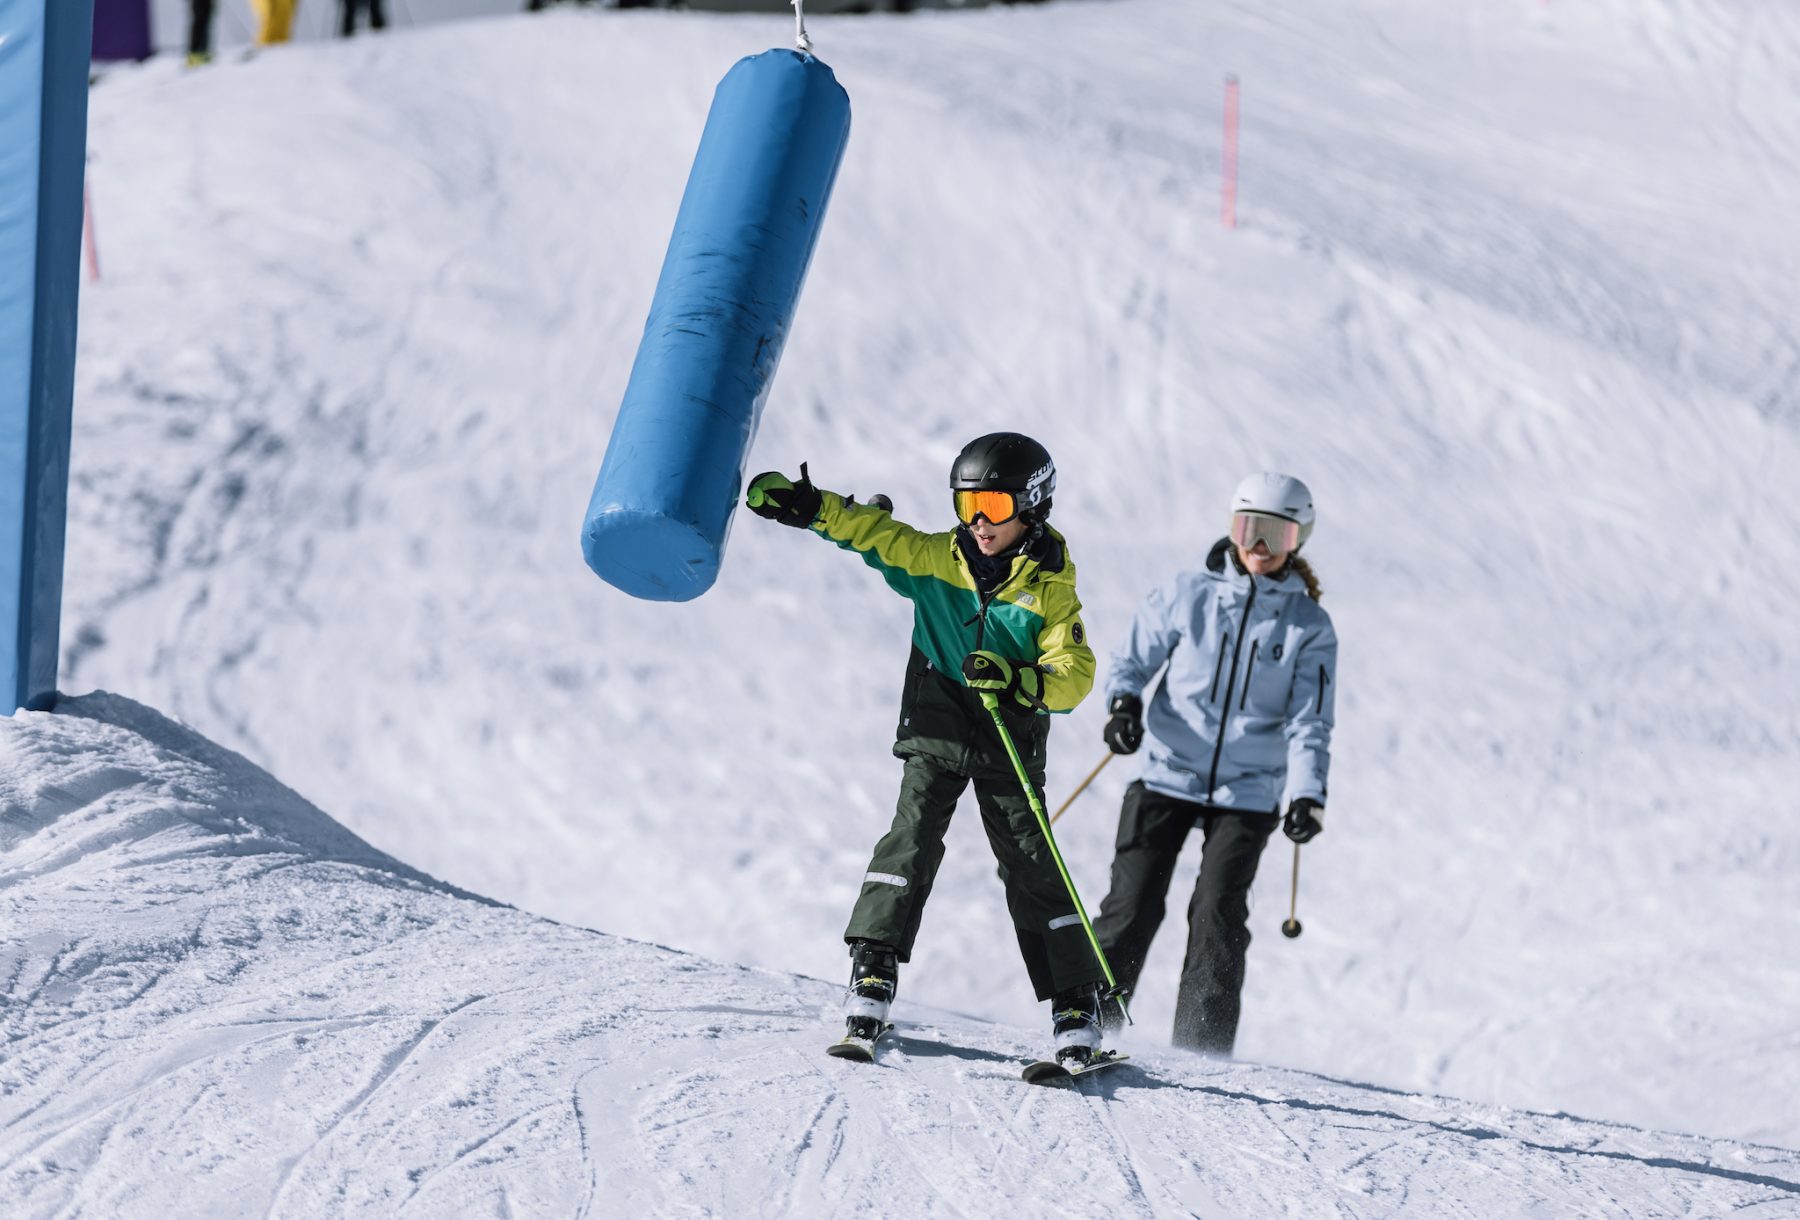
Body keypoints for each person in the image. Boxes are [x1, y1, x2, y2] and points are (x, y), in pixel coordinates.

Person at [745, 434, 1111, 1066]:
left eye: (993, 505)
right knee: (910, 837)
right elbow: (872, 533)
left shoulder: (1050, 588)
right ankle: (872, 967)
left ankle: (1075, 1000)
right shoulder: (937, 559)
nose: (978, 521)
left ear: (1032, 507)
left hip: (1006, 737)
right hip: (938, 727)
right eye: (967, 504)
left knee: (1030, 857)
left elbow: (1074, 675)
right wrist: (810, 508)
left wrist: (1019, 678)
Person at [1091, 471, 1337, 1056]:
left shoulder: (1308, 627)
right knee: (1132, 904)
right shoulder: (1187, 594)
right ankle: (1089, 1021)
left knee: (1218, 914)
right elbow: (1132, 658)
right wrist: (1124, 705)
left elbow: (1311, 719)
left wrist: (1308, 794)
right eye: (1249, 528)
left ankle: (1201, 1051)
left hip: (1248, 790)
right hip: (1166, 771)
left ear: (1296, 541)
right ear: (1232, 529)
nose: (1258, 546)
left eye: (1274, 535)